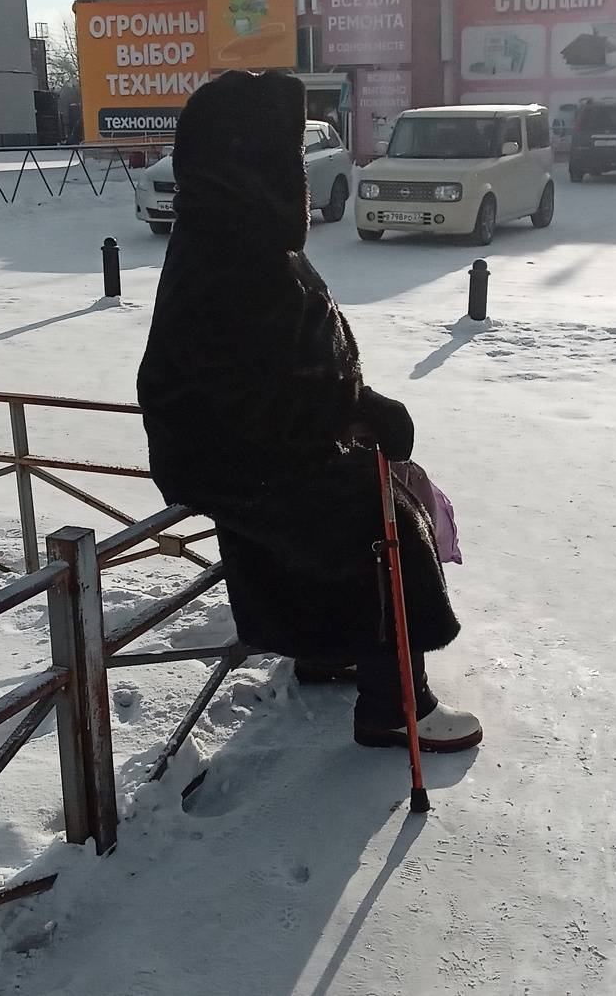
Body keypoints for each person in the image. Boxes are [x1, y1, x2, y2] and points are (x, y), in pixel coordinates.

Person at [137, 70, 482, 753]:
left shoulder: (247, 239)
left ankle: (332, 649)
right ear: (251, 160)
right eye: (285, 154)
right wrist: (347, 418)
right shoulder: (227, 254)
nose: (295, 171)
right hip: (226, 453)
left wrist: (355, 406)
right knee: (378, 523)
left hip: (256, 442)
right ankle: (395, 705)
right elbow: (250, 394)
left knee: (360, 500)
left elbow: (292, 366)